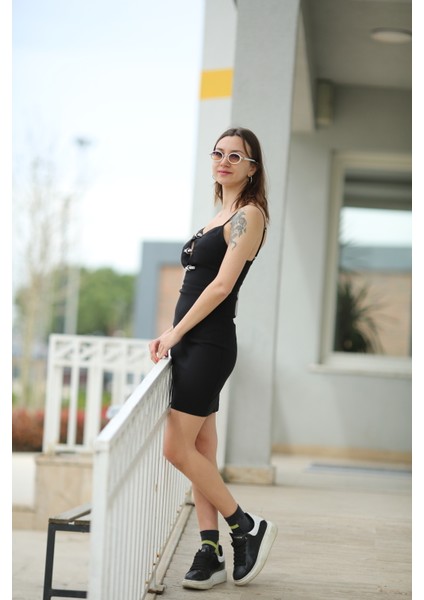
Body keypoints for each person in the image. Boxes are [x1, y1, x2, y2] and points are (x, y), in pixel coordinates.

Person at [149, 127, 277, 590]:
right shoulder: (218, 216)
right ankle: (210, 551)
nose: (224, 160)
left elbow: (221, 286)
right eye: (219, 153)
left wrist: (175, 332)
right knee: (201, 452)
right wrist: (176, 334)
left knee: (175, 449)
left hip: (209, 345)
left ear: (252, 168)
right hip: (191, 344)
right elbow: (193, 285)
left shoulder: (249, 215)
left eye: (236, 156)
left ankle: (246, 526)